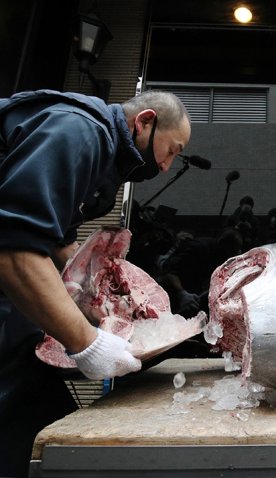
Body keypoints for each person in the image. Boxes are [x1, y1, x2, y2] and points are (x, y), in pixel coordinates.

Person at [0, 89, 191, 476]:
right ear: (146, 121)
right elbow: (15, 249)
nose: (168, 166)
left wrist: (106, 280)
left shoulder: (107, 155)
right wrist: (88, 344)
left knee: (40, 409)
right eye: (172, 150)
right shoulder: (80, 131)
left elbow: (58, 241)